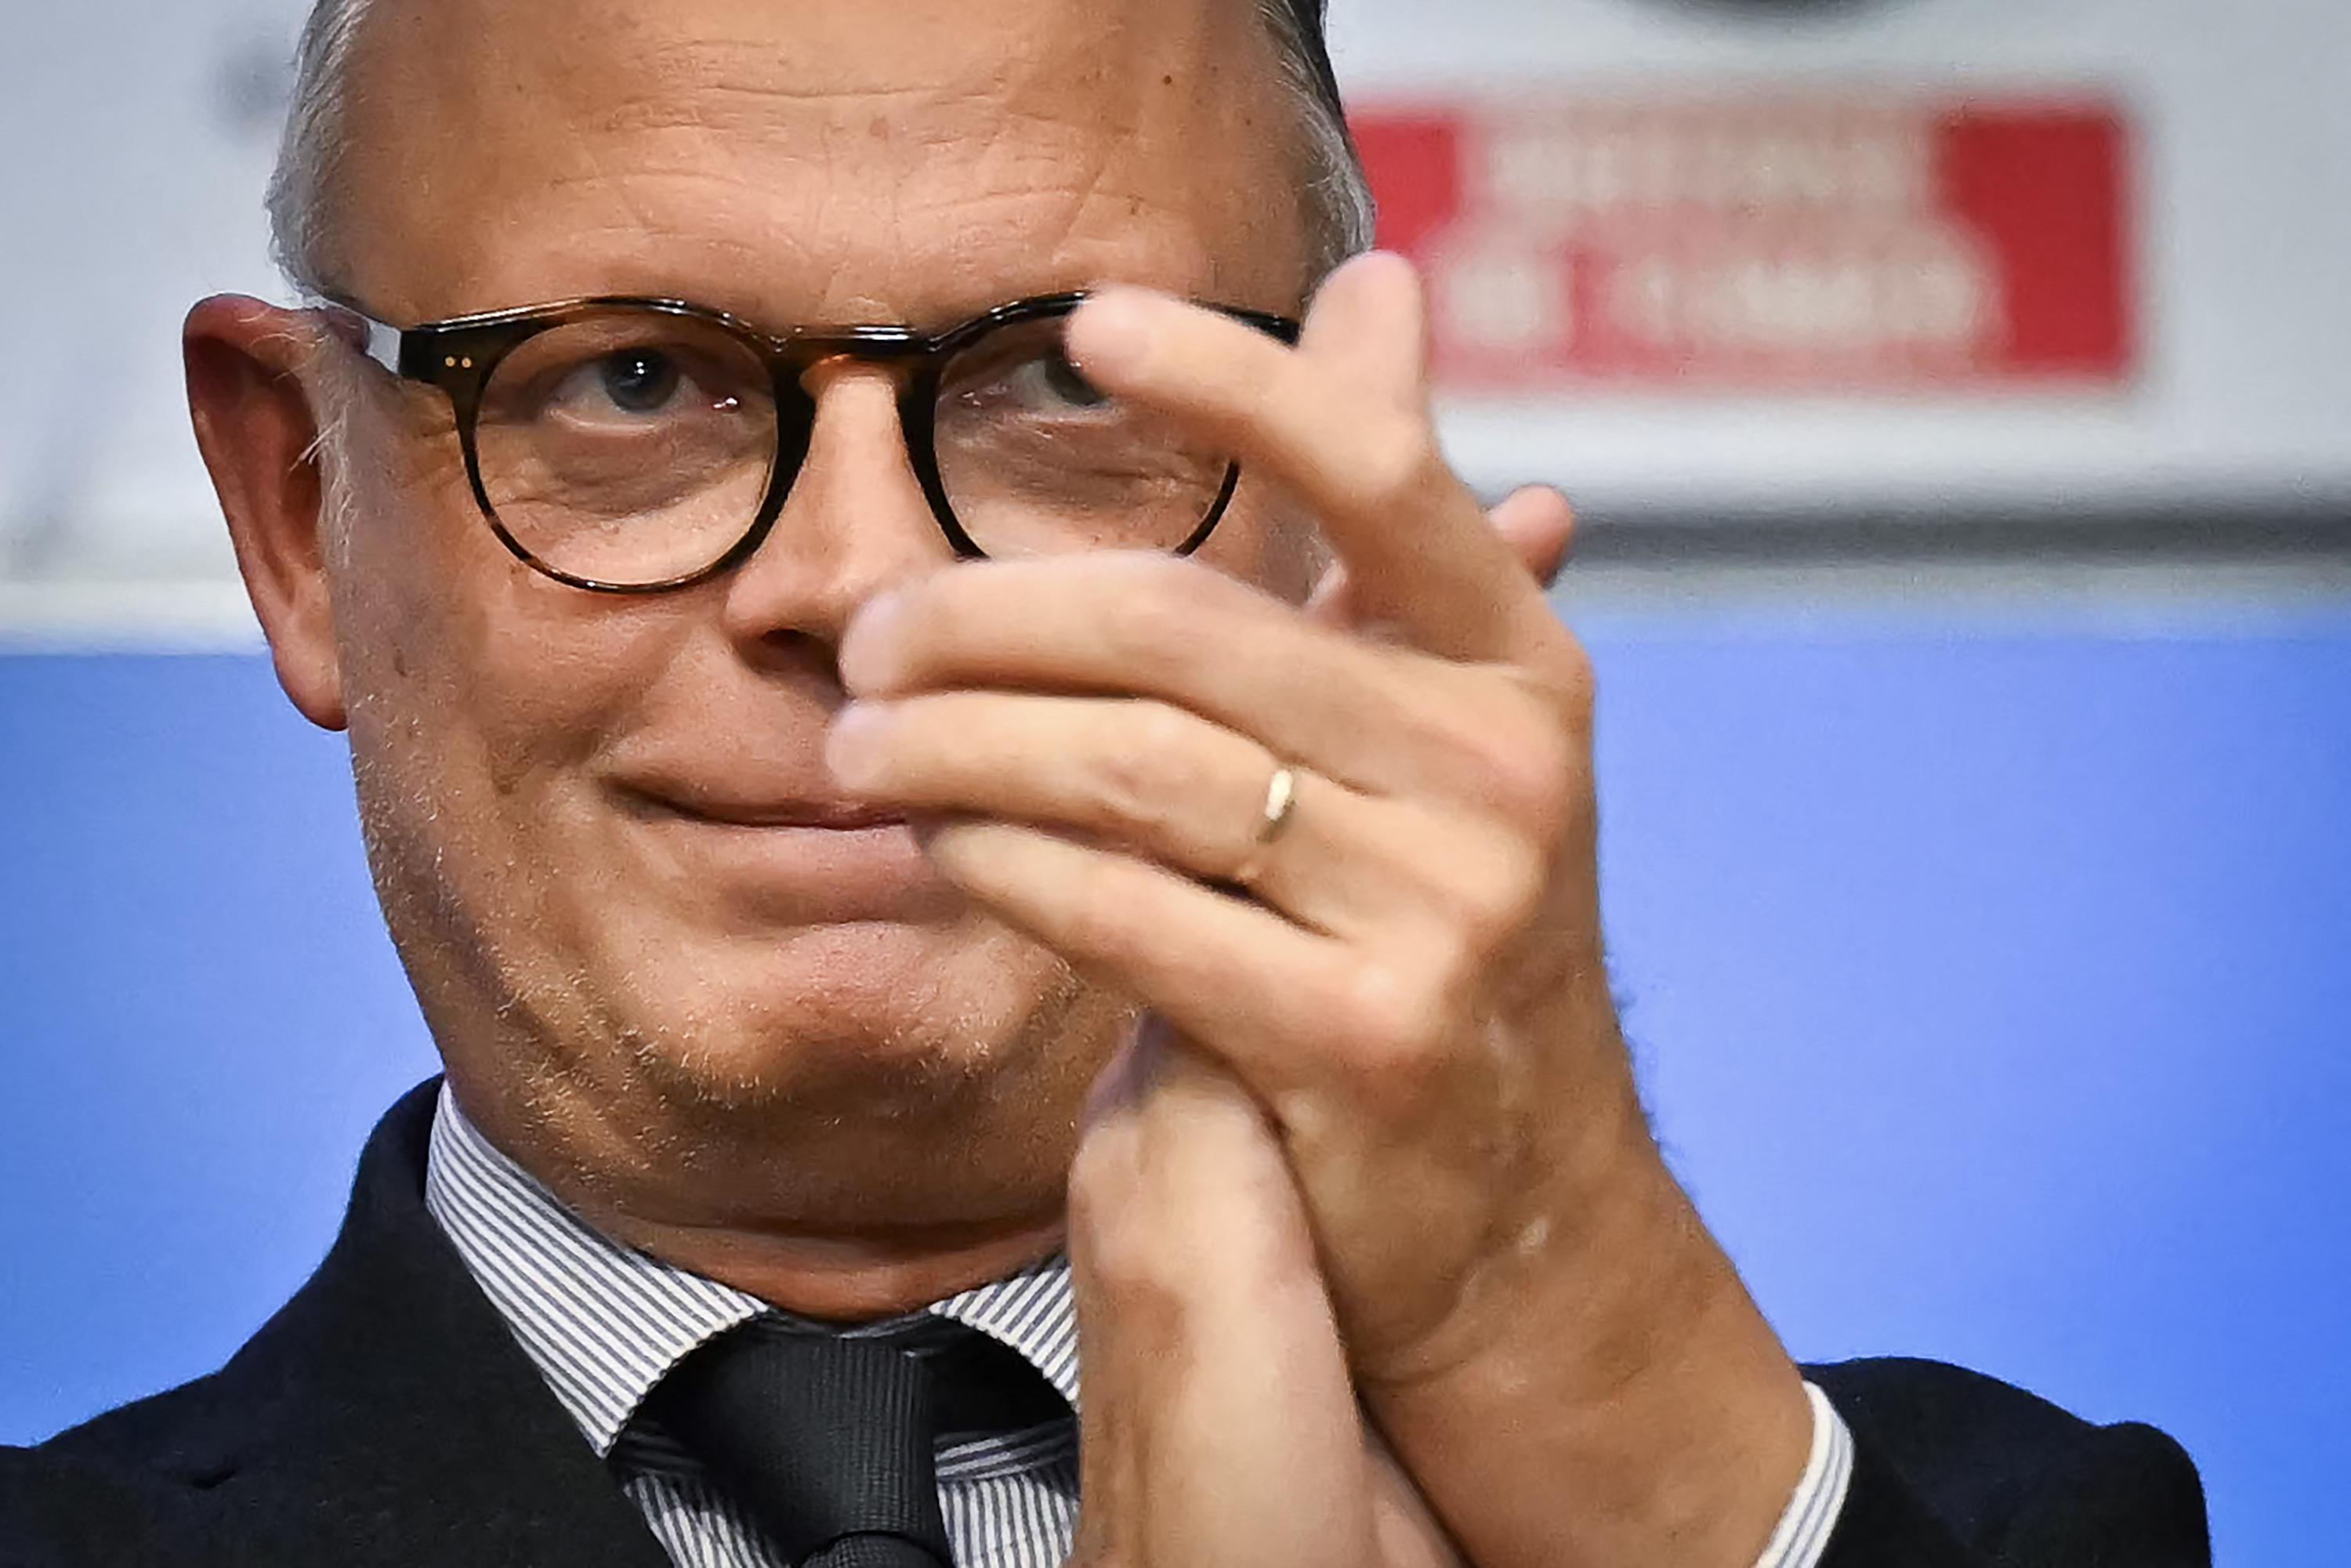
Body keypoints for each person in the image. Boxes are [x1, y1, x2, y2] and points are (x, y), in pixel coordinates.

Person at [2, 0, 2209, 1563]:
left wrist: (1575, 1370)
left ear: (1332, 498)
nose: (858, 584)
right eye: (635, 380)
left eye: (1060, 384)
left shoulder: (1879, 1531)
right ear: (302, 515)